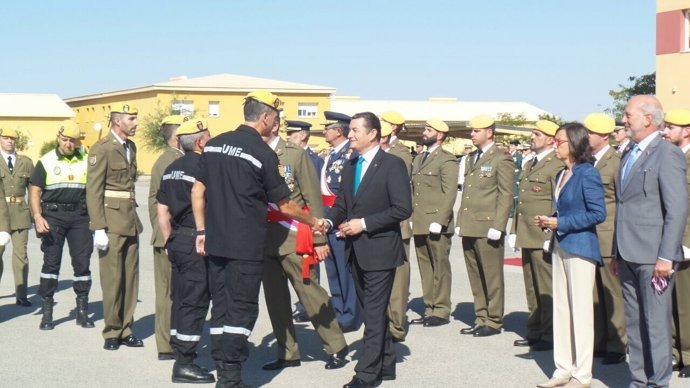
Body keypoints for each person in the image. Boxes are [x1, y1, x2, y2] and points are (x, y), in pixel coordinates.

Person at [191, 91, 321, 387]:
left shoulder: (213, 146)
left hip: (216, 241)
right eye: (275, 118)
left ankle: (223, 367)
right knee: (242, 308)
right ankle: (231, 378)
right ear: (264, 117)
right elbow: (285, 205)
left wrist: (201, 230)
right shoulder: (263, 153)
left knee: (221, 306)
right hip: (246, 245)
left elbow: (197, 190)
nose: (276, 123)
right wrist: (314, 221)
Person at [321, 111, 412, 388]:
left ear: (373, 133)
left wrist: (364, 223)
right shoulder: (351, 164)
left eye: (355, 130)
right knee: (374, 311)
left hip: (381, 250)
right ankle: (385, 362)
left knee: (372, 315)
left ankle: (367, 374)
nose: (350, 135)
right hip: (355, 251)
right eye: (349, 130)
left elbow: (402, 208)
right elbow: (342, 204)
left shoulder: (392, 164)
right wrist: (328, 221)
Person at [260, 114, 348, 372]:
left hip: (294, 233)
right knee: (275, 299)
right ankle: (287, 352)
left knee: (310, 293)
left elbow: (312, 196)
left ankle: (336, 346)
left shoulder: (294, 154)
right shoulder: (252, 152)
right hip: (265, 237)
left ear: (274, 124)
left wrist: (319, 237)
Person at [613, 95, 687, 388]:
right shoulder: (629, 152)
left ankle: (658, 383)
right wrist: (615, 252)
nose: (623, 119)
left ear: (647, 118)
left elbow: (677, 208)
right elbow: (624, 204)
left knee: (656, 326)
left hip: (654, 256)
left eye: (628, 114)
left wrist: (666, 256)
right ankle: (639, 380)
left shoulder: (666, 154)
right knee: (635, 324)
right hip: (628, 252)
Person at [535, 123, 606, 388]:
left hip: (580, 247)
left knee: (580, 312)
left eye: (560, 141)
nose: (556, 145)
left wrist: (560, 223)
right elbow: (566, 211)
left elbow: (598, 214)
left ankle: (582, 374)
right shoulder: (561, 173)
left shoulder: (587, 173)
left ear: (574, 143)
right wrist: (550, 221)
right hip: (560, 244)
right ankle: (563, 368)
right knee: (562, 309)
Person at [157, 118, 215, 384]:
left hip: (178, 239)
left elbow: (162, 209)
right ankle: (185, 363)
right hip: (196, 241)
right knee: (195, 300)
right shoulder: (206, 167)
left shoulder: (171, 168)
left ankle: (179, 349)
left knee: (181, 298)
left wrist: (169, 240)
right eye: (209, 136)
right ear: (200, 142)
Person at [86, 102, 145, 351]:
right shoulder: (102, 148)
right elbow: (94, 189)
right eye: (131, 119)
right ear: (117, 121)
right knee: (112, 279)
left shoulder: (130, 147)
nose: (135, 123)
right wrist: (98, 226)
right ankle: (111, 331)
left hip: (130, 220)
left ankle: (126, 328)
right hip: (110, 222)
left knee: (130, 279)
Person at [28, 121, 94, 330]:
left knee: (82, 264)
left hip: (80, 216)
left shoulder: (86, 159)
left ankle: (82, 311)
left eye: (72, 141)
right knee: (51, 265)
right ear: (58, 138)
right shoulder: (46, 161)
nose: (68, 144)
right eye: (65, 139)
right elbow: (35, 191)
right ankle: (47, 312)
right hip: (53, 216)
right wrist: (37, 217)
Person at [457, 115, 514, 337]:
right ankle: (480, 316)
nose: (472, 134)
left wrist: (499, 225)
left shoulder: (501, 159)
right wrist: (461, 222)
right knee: (475, 274)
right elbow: (469, 194)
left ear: (489, 133)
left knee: (491, 276)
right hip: (471, 225)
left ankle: (494, 319)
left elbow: (505, 195)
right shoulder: (471, 157)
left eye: (476, 131)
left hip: (488, 226)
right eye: (472, 131)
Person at [509, 119, 563, 351]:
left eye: (538, 134)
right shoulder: (531, 162)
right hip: (527, 233)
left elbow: (556, 203)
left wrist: (552, 235)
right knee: (531, 286)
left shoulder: (556, 164)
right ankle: (535, 329)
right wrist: (514, 230)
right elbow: (521, 202)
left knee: (546, 288)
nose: (533, 137)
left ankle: (550, 334)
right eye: (533, 133)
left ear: (551, 139)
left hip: (543, 235)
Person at [584, 113, 627, 365]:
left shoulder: (616, 163)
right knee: (593, 294)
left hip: (608, 236)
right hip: (588, 235)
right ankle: (599, 341)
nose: (586, 137)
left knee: (612, 293)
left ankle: (617, 343)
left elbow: (622, 203)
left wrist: (619, 240)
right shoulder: (587, 162)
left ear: (603, 136)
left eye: (590, 133)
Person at [410, 119, 458, 327]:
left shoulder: (446, 160)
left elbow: (449, 193)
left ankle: (441, 309)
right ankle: (430, 306)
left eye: (429, 130)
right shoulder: (420, 158)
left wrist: (441, 220)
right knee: (425, 267)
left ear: (439, 135)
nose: (424, 132)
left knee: (440, 267)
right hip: (420, 220)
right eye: (425, 129)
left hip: (436, 222)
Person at [320, 111, 362, 333]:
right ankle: (339, 310)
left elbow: (352, 193)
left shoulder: (350, 154)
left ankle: (350, 315)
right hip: (328, 217)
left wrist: (348, 221)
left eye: (328, 127)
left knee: (345, 270)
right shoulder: (333, 153)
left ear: (338, 130)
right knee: (333, 269)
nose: (324, 131)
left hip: (342, 219)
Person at [148, 114, 185, 360]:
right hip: (169, 236)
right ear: (178, 137)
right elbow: (157, 202)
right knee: (167, 293)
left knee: (174, 292)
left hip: (170, 235)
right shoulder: (169, 161)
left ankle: (172, 339)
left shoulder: (173, 159)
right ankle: (166, 343)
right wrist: (166, 235)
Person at [660, 108, 690, 378]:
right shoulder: (665, 155)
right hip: (663, 239)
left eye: (671, 127)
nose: (665, 131)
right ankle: (672, 353)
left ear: (687, 130)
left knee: (686, 301)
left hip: (686, 240)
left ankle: (688, 354)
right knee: (665, 298)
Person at [284, 119, 323, 323]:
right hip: (290, 220)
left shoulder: (312, 159)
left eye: (291, 133)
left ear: (302, 135)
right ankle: (302, 305)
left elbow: (312, 194)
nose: (287, 137)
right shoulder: (286, 156)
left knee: (308, 268)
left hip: (305, 220)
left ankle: (310, 306)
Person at [379, 111, 413, 342]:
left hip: (397, 223)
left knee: (398, 277)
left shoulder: (401, 153)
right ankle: (379, 321)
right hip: (376, 223)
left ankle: (396, 324)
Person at [0, 127, 33, 307]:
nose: (10, 141)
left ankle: (22, 294)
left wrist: (37, 214)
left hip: (20, 212)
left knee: (21, 255)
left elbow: (34, 190)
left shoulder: (26, 162)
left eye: (13, 138)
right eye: (6, 138)